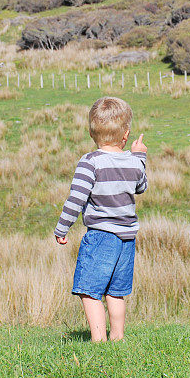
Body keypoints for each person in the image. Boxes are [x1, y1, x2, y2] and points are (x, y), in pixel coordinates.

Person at [54, 96, 148, 342]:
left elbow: (76, 199)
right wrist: (140, 157)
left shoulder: (90, 162)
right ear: (125, 135)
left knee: (89, 291)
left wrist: (62, 228)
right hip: (127, 238)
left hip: (100, 237)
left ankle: (98, 340)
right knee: (116, 292)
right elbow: (141, 187)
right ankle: (117, 337)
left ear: (91, 132)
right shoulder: (134, 162)